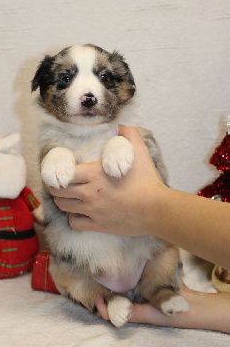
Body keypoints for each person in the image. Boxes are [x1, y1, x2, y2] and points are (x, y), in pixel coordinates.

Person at [49, 125, 230, 333]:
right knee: (74, 278)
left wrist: (148, 208)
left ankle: (159, 292)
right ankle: (114, 297)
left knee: (163, 253)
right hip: (90, 267)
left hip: (139, 255)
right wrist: (199, 308)